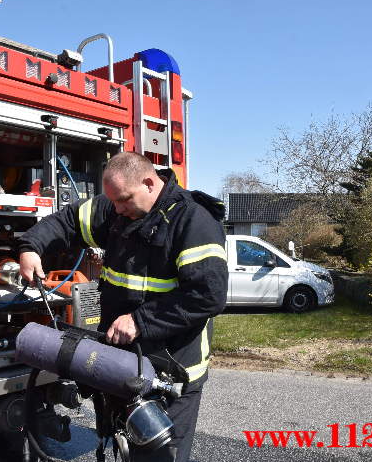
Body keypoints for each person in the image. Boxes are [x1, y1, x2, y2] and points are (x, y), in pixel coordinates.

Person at [18, 152, 228, 462]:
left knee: (159, 457)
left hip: (172, 372)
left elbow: (207, 295)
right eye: (113, 201)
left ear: (148, 183)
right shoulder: (117, 208)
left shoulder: (193, 220)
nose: (117, 209)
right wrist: (30, 247)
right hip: (121, 366)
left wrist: (140, 321)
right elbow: (68, 220)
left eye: (124, 200)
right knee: (123, 446)